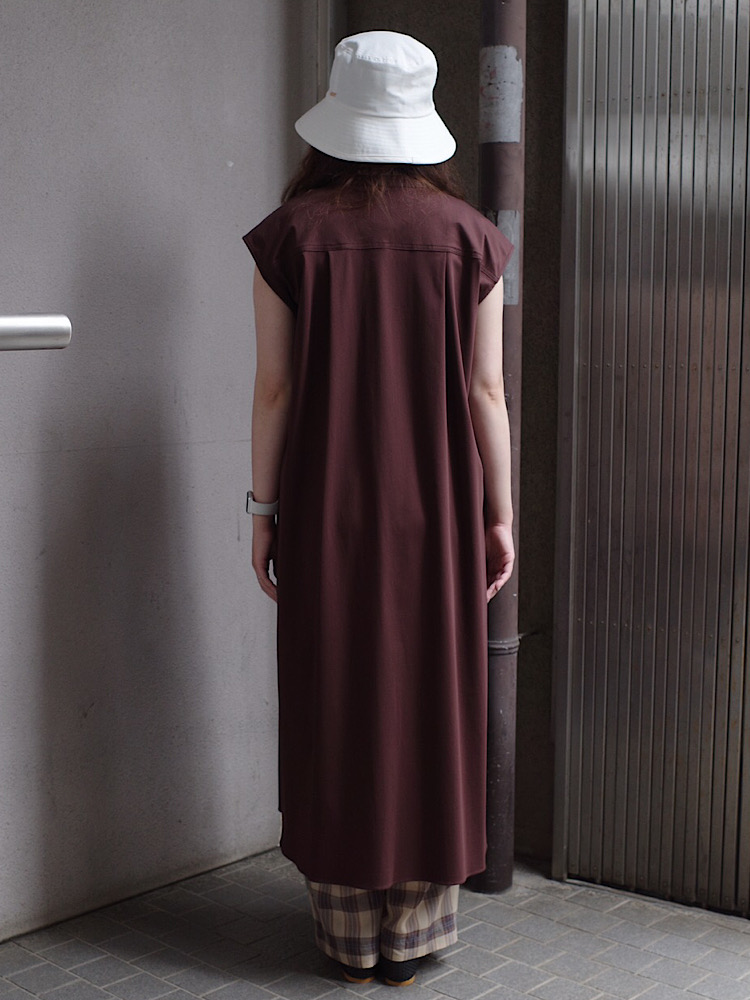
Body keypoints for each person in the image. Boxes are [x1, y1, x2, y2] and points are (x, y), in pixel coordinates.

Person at [243, 30, 514, 988]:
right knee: (433, 702)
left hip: (327, 510)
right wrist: (498, 515)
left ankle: (350, 937)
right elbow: (487, 391)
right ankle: (415, 936)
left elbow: (275, 390)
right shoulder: (472, 239)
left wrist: (262, 510)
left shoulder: (290, 236)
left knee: (338, 697)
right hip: (438, 513)